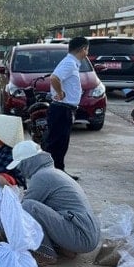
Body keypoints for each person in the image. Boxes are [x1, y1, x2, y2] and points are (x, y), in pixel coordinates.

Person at [6, 140, 100, 266]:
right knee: (34, 207)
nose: (20, 170)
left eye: (20, 166)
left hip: (81, 235)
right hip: (87, 233)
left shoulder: (41, 177)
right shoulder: (52, 172)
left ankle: (46, 254)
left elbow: (20, 210)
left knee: (28, 206)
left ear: (28, 162)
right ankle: (68, 248)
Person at [45, 36, 89, 180]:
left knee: (62, 143)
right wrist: (60, 93)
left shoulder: (72, 63)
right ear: (83, 49)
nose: (87, 53)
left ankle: (58, 172)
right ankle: (52, 174)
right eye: (87, 49)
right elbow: (54, 78)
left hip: (66, 109)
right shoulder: (69, 63)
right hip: (61, 109)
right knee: (56, 143)